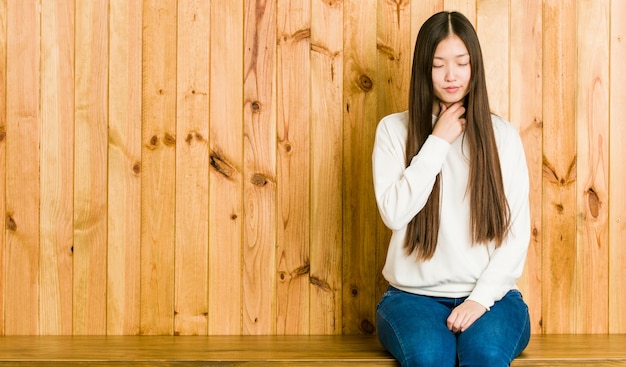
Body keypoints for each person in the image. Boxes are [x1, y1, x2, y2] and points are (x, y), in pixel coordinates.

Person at [372, 11, 531, 367]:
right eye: (438, 64)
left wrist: (480, 299)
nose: (451, 75)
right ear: (423, 70)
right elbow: (394, 214)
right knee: (430, 358)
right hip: (412, 297)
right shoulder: (393, 131)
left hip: (494, 297)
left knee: (486, 356)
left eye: (462, 62)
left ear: (474, 66)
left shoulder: (501, 136)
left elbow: (516, 233)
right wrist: (436, 142)